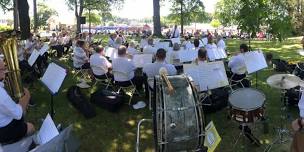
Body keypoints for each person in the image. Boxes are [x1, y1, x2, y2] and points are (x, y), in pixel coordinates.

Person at [0, 59, 35, 144]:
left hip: (3, 122)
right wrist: (27, 96)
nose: (5, 71)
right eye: (3, 69)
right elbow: (18, 114)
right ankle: (27, 145)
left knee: (22, 111)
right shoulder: (1, 95)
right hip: (4, 130)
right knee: (31, 127)